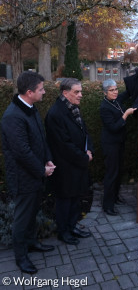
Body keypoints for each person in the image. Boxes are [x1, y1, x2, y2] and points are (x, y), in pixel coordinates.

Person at [1, 71, 56, 274]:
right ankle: (21, 257)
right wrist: (42, 169)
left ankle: (32, 242)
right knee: (22, 218)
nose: (44, 92)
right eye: (41, 89)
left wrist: (47, 159)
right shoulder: (13, 116)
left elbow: (41, 139)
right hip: (23, 177)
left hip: (35, 173)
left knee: (33, 212)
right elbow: (21, 152)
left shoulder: (30, 108)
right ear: (29, 92)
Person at [45, 78, 93, 245]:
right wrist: (84, 157)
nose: (80, 95)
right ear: (65, 93)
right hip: (66, 167)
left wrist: (89, 149)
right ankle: (63, 231)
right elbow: (63, 145)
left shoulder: (72, 107)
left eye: (80, 91)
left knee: (75, 198)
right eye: (76, 92)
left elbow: (84, 132)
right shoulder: (55, 114)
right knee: (65, 200)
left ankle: (72, 226)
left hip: (77, 164)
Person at [100, 79, 136, 216]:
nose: (115, 92)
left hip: (119, 143)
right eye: (111, 90)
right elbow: (114, 127)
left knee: (119, 171)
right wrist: (126, 114)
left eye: (115, 89)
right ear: (105, 92)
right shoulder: (104, 107)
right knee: (111, 174)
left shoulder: (116, 100)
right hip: (110, 145)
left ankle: (115, 198)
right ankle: (107, 205)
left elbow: (128, 92)